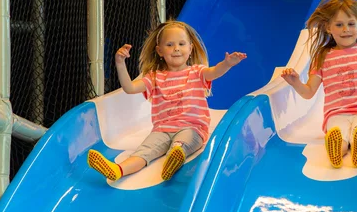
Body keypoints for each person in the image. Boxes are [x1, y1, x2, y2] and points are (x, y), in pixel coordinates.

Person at [87, 20, 246, 181]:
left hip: (192, 127)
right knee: (144, 152)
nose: (176, 48)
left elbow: (214, 72)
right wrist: (120, 63)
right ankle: (118, 170)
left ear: (190, 48)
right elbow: (130, 88)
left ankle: (174, 159)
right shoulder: (155, 77)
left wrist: (227, 64)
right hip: (162, 130)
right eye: (169, 45)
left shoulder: (197, 72)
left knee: (181, 144)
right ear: (160, 51)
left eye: (181, 44)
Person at [281, 0, 357, 168]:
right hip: (337, 113)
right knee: (337, 130)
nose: (346, 29)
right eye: (339, 25)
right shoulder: (322, 57)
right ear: (328, 27)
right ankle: (338, 149)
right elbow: (308, 92)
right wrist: (295, 82)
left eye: (351, 24)